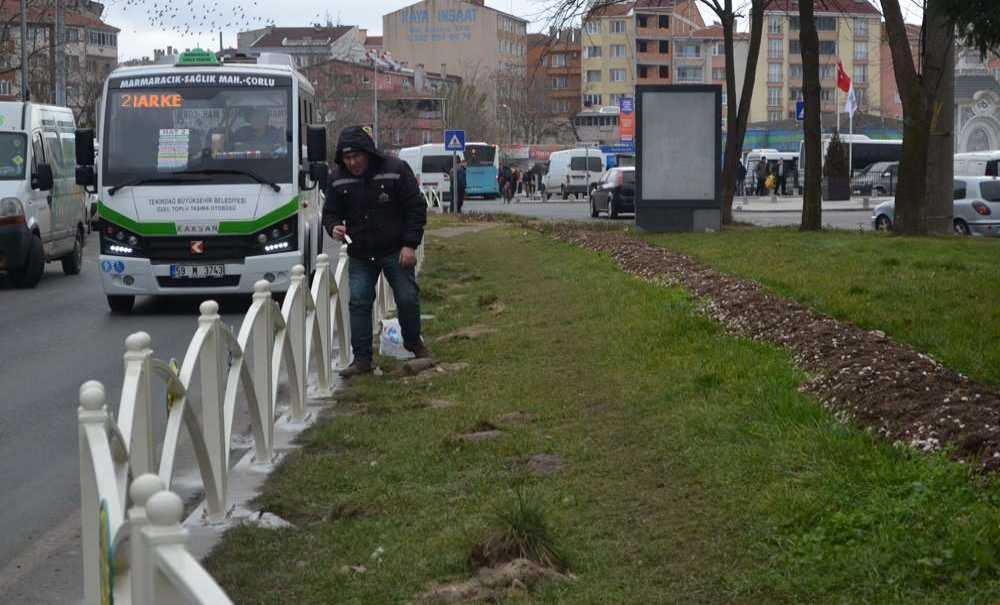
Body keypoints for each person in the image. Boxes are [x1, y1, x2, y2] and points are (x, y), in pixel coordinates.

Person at [323, 125, 430, 378]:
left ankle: (413, 342)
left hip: (396, 249)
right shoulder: (337, 177)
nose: (353, 163)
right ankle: (361, 359)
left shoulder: (396, 170)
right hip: (360, 253)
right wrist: (333, 227)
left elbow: (416, 208)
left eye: (357, 156)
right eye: (347, 158)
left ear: (368, 152)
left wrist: (409, 244)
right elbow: (330, 212)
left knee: (406, 297)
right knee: (359, 301)